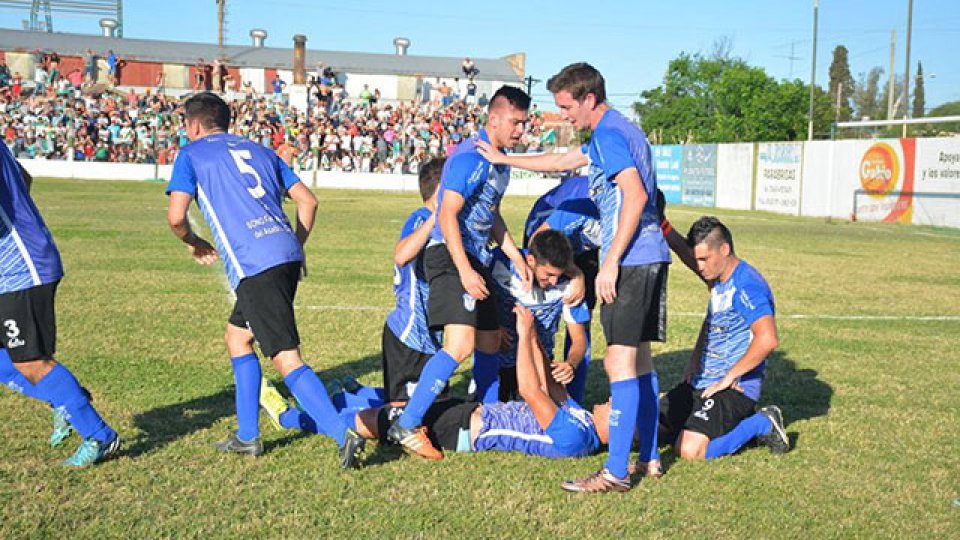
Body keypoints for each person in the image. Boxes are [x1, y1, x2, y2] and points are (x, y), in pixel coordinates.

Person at [477, 62, 670, 492]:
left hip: (634, 258)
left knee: (618, 362)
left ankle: (615, 472)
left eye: (566, 106)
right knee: (639, 361)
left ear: (588, 99)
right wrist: (506, 157)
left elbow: (636, 195)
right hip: (650, 256)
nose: (563, 114)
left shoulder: (610, 134)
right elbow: (563, 160)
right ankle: (651, 457)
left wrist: (610, 260)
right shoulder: (617, 131)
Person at [165, 92, 365, 468]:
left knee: (286, 358)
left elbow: (176, 217)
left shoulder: (191, 154)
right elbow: (308, 201)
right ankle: (247, 437)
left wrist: (193, 242)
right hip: (284, 254)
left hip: (255, 264)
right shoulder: (261, 150)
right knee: (237, 336)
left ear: (192, 125)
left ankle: (343, 434)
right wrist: (296, 246)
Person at [384, 85, 534, 460]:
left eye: (524, 123)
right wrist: (466, 270)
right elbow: (447, 215)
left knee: (488, 343)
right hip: (450, 257)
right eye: (515, 122)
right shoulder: (469, 157)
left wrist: (514, 255)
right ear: (494, 118)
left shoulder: (499, 161)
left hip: (475, 257)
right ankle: (407, 424)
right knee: (460, 345)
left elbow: (491, 213)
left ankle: (490, 413)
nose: (521, 130)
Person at [262, 304, 603, 460]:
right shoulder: (583, 418)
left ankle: (288, 417)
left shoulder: (576, 439)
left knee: (369, 424)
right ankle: (346, 395)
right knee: (403, 402)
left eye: (620, 408)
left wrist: (526, 331)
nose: (611, 402)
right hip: (470, 412)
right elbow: (551, 388)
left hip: (461, 431)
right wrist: (535, 343)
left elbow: (531, 391)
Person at [0, 144, 120, 467]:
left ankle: (100, 436)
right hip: (12, 266)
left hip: (23, 270)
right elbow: (24, 178)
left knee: (30, 361)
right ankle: (63, 399)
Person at [661, 216, 789, 461]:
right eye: (697, 259)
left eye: (704, 259)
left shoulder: (746, 286)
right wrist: (661, 223)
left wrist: (729, 376)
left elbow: (768, 339)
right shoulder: (718, 278)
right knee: (650, 426)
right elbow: (712, 321)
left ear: (725, 249)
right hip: (702, 382)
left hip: (733, 389)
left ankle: (763, 423)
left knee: (689, 451)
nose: (698, 266)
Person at [474, 229, 587, 404]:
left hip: (537, 366)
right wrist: (492, 326)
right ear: (531, 261)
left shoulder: (571, 285)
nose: (554, 282)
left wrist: (570, 364)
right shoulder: (499, 262)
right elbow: (470, 296)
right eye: (548, 275)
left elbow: (579, 339)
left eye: (558, 275)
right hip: (496, 363)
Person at [381, 158, 444, 406]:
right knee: (400, 415)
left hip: (432, 336)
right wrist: (436, 217)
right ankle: (339, 408)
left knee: (432, 408)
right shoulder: (422, 219)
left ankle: (354, 392)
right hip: (409, 334)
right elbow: (401, 255)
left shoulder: (446, 222)